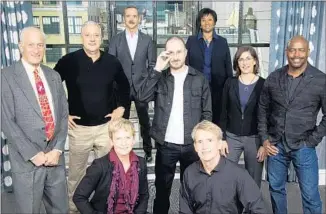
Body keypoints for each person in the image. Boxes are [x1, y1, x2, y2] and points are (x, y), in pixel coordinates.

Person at [53, 21, 130, 213]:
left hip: (106, 128)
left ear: (101, 37)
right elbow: (51, 87)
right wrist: (62, 113)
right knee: (77, 175)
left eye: (96, 35)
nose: (92, 39)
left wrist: (121, 108)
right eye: (88, 35)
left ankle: (107, 206)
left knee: (109, 172)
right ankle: (74, 209)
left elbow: (125, 87)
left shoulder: (112, 62)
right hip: (78, 130)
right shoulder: (68, 61)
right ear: (82, 37)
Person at [138, 36, 212, 214]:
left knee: (191, 191)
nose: (176, 56)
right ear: (166, 54)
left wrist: (204, 143)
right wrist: (156, 68)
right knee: (162, 191)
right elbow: (141, 98)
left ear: (186, 53)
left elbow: (207, 113)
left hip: (191, 145)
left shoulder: (199, 79)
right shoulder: (160, 77)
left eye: (179, 51)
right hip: (166, 145)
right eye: (171, 53)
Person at [1, 26, 69, 213]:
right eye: (31, 45)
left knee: (60, 209)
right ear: (20, 46)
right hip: (27, 162)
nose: (36, 49)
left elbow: (63, 115)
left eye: (40, 45)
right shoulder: (5, 77)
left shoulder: (54, 76)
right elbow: (6, 121)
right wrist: (33, 154)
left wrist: (57, 148)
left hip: (55, 159)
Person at [258, 35, 325, 214]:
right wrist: (264, 139)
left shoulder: (320, 80)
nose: (296, 54)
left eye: (301, 50)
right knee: (276, 189)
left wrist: (312, 141)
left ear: (307, 52)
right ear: (286, 52)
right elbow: (262, 109)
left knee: (310, 195)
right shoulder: (274, 77)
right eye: (292, 50)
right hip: (275, 146)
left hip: (304, 146)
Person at [179, 120, 266, 214]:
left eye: (210, 140)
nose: (204, 146)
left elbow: (258, 209)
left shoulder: (238, 174)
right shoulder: (189, 173)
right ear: (195, 147)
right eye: (200, 141)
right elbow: (185, 210)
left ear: (220, 144)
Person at [109, 6, 156, 162]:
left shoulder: (147, 40)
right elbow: (111, 64)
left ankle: (148, 151)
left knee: (145, 122)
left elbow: (152, 64)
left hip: (141, 88)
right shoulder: (116, 40)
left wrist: (146, 83)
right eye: (128, 16)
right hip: (121, 89)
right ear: (124, 19)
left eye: (134, 16)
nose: (131, 18)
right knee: (122, 123)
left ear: (139, 19)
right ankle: (121, 152)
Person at [73, 118, 149, 214]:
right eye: (118, 138)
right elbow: (79, 197)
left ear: (133, 140)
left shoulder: (140, 163)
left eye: (127, 138)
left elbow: (144, 195)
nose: (123, 143)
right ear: (111, 141)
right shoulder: (100, 166)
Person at [220, 46, 266, 187]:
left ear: (255, 61)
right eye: (241, 59)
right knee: (225, 176)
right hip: (231, 137)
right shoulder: (230, 83)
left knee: (253, 181)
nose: (245, 63)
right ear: (237, 63)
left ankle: (252, 209)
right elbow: (223, 112)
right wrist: (221, 139)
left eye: (248, 58)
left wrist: (265, 143)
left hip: (255, 139)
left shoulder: (264, 84)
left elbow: (268, 116)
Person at [186, 8, 233, 125]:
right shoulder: (191, 41)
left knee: (216, 118)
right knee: (197, 117)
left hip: (218, 87)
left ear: (215, 22)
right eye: (203, 20)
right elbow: (186, 63)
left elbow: (228, 65)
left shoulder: (222, 42)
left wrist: (229, 87)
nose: (207, 23)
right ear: (200, 23)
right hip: (196, 87)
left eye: (210, 20)